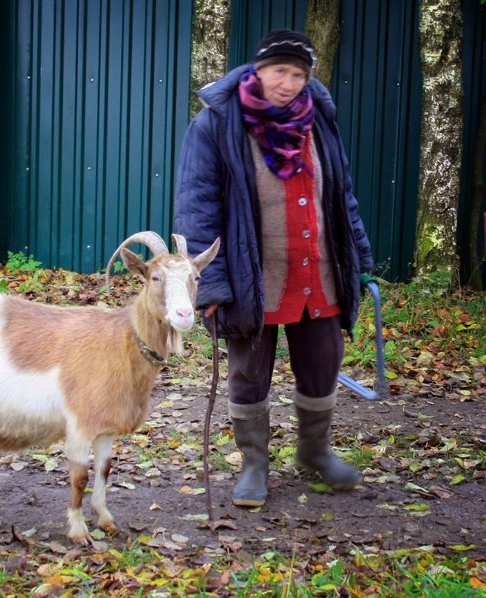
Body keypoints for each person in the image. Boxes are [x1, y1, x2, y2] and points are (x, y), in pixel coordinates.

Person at [174, 29, 374, 507]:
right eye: (280, 70)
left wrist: (360, 262)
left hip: (317, 272)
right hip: (251, 277)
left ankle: (315, 453)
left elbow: (341, 195)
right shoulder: (217, 123)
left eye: (299, 74)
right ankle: (254, 464)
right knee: (248, 374)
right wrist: (212, 285)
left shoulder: (318, 120)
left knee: (324, 364)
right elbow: (197, 207)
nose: (288, 82)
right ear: (258, 69)